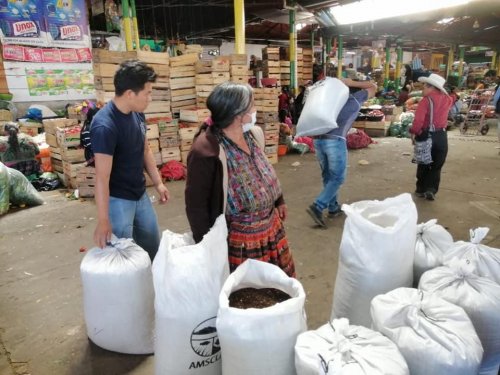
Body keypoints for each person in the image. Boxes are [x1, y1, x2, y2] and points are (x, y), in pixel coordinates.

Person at [185, 82, 295, 277]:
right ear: (238, 115)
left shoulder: (253, 134)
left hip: (271, 228)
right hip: (243, 243)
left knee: (277, 286)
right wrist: (207, 246)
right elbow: (196, 206)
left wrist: (278, 200)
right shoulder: (206, 151)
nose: (255, 110)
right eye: (251, 105)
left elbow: (263, 172)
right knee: (252, 293)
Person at [90, 60, 169, 260]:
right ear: (130, 94)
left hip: (140, 194)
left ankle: (153, 287)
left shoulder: (137, 114)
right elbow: (101, 177)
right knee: (124, 256)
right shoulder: (105, 126)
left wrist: (158, 183)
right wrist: (103, 219)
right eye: (148, 92)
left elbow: (145, 150)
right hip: (118, 201)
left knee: (153, 247)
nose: (150, 98)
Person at [306, 78, 377, 227]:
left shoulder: (327, 100)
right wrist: (351, 83)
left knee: (328, 176)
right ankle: (318, 206)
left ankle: (333, 207)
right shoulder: (354, 99)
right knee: (337, 177)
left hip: (318, 140)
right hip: (335, 140)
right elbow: (373, 86)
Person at [409, 73, 453, 201]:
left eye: (424, 87)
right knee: (437, 164)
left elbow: (418, 121)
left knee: (423, 163)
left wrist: (414, 132)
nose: (423, 89)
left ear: (431, 87)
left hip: (426, 135)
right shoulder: (447, 99)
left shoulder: (425, 101)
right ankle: (431, 189)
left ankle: (421, 189)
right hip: (441, 136)